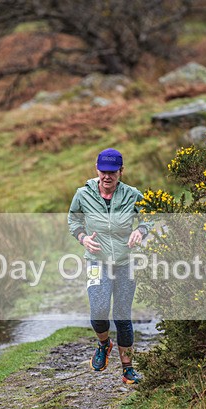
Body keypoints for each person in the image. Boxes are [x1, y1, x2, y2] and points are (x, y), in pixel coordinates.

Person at [67, 148, 149, 384]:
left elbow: (150, 216)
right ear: (97, 169)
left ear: (121, 172)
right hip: (97, 261)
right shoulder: (82, 195)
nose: (107, 177)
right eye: (103, 171)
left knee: (123, 315)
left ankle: (127, 369)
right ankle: (104, 344)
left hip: (126, 262)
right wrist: (83, 238)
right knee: (99, 309)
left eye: (112, 172)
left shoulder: (132, 195)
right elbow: (73, 220)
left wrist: (140, 230)